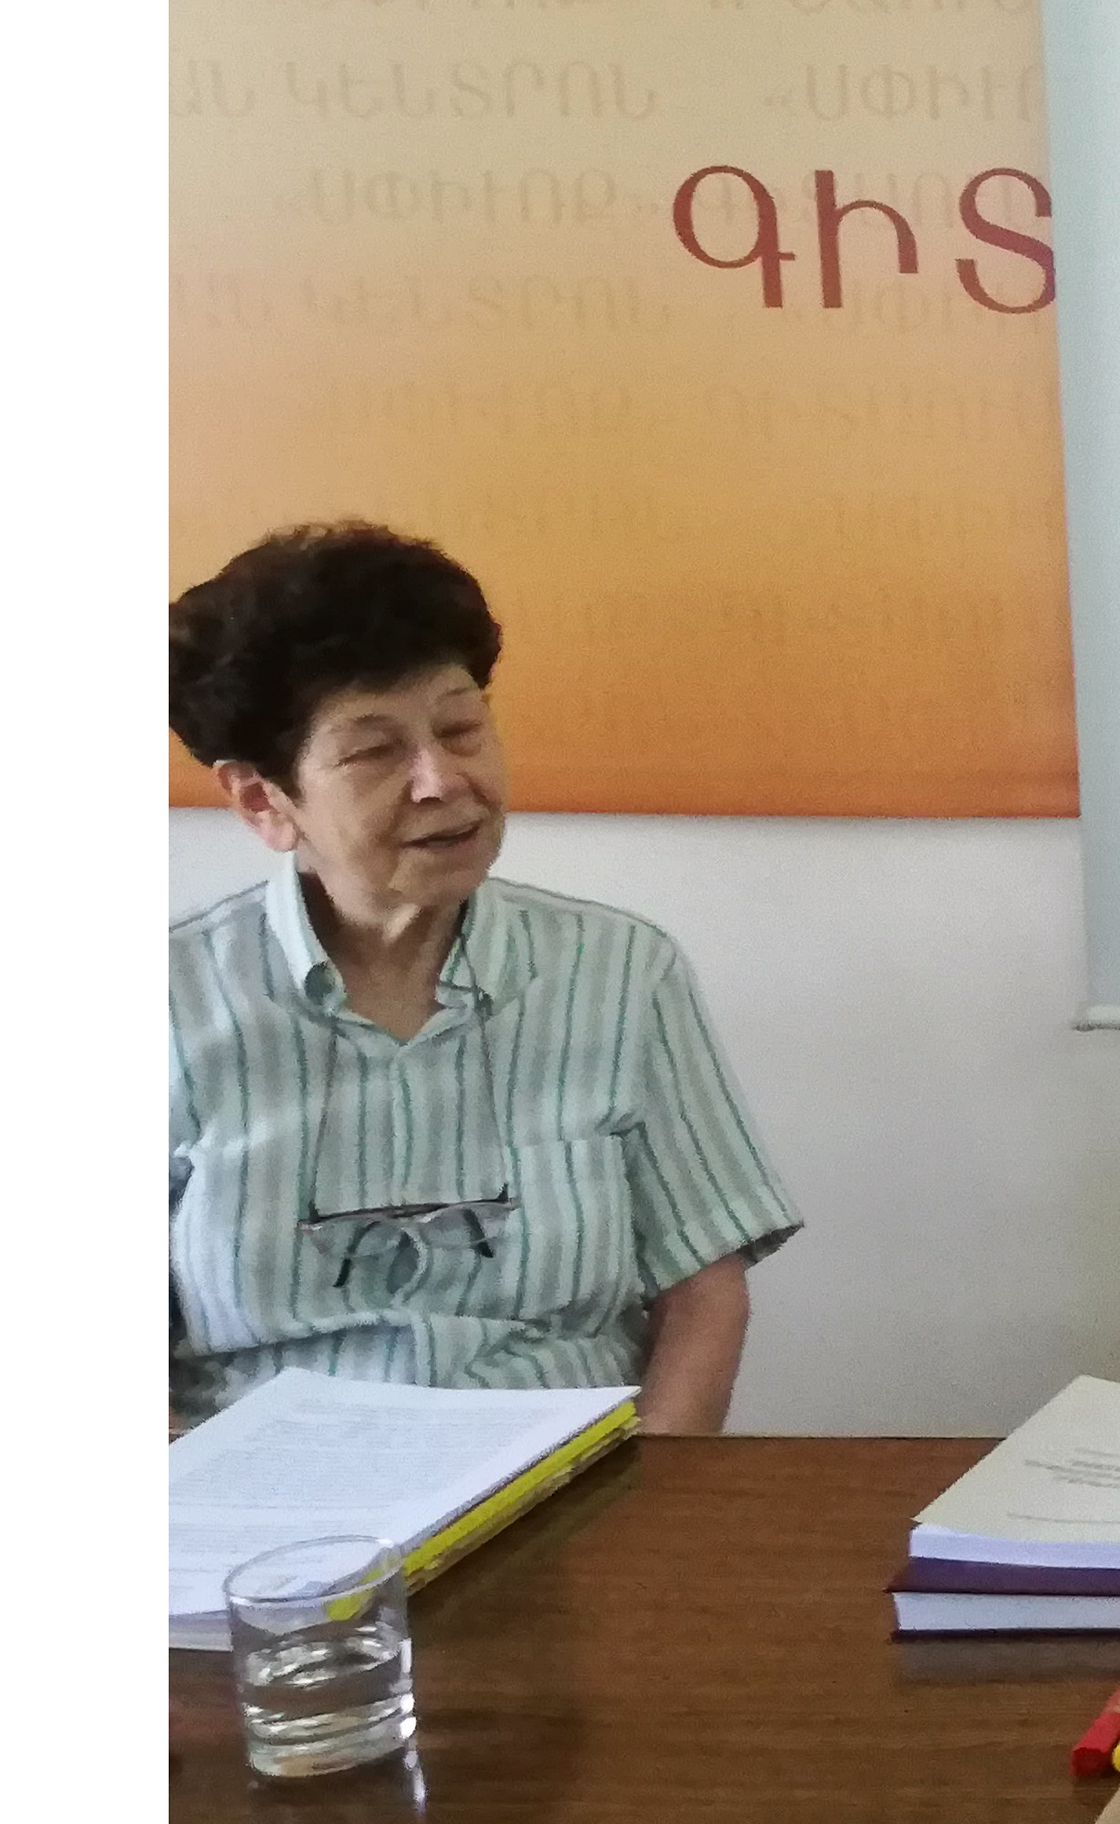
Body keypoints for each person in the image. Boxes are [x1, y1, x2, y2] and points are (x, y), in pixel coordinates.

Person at [168, 521, 804, 1436]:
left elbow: (704, 1290)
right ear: (264, 800)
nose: (442, 780)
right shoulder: (168, 999)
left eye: (461, 729)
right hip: (269, 1496)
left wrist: (660, 1499)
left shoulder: (620, 972)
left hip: (563, 1480)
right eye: (375, 752)